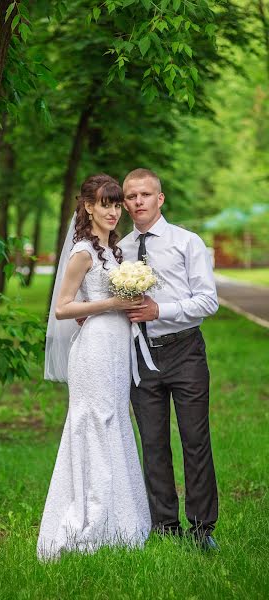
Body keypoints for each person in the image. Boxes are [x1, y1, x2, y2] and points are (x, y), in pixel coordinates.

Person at [38, 174, 151, 560]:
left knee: (115, 419)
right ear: (88, 206)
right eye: (106, 204)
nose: (113, 211)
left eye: (117, 205)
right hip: (94, 350)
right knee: (94, 422)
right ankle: (92, 520)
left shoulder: (115, 251)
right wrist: (109, 306)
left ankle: (122, 520)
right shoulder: (84, 251)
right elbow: (62, 307)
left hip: (118, 347)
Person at [119, 168, 219, 550]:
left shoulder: (186, 242)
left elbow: (208, 301)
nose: (138, 201)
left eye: (145, 194)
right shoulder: (121, 250)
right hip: (141, 357)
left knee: (195, 440)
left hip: (185, 351)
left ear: (160, 199)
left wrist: (161, 310)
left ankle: (201, 530)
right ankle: (164, 526)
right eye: (131, 196)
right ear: (125, 203)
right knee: (153, 443)